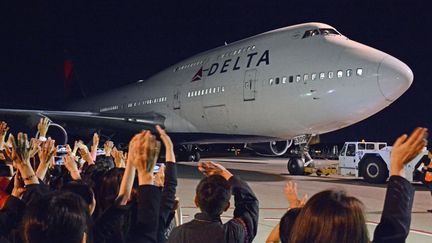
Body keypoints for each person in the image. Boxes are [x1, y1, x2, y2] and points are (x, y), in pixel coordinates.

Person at [283, 127, 427, 243]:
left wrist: (294, 212)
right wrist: (398, 167)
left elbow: (287, 235)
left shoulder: (295, 235)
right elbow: (392, 231)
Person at [168, 161, 259, 243]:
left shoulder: (178, 234)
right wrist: (226, 174)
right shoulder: (234, 233)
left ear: (196, 201)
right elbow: (249, 203)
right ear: (226, 206)